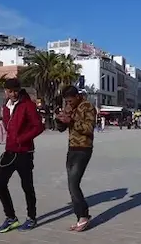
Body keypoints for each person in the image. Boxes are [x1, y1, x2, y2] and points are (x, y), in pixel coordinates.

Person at [0, 78, 44, 233]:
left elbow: (39, 126)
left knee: (27, 186)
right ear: (6, 92)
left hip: (24, 152)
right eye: (11, 91)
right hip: (10, 151)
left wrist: (22, 138)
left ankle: (31, 218)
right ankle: (11, 218)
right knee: (0, 184)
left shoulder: (27, 105)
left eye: (16, 90)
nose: (14, 94)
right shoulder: (5, 106)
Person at [55, 86, 96, 232]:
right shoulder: (67, 106)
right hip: (71, 148)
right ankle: (80, 217)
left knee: (74, 183)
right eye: (67, 101)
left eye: (70, 101)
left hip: (84, 149)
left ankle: (84, 216)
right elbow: (61, 129)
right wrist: (59, 120)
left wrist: (71, 120)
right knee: (71, 184)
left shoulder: (88, 106)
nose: (69, 104)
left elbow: (89, 128)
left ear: (77, 96)